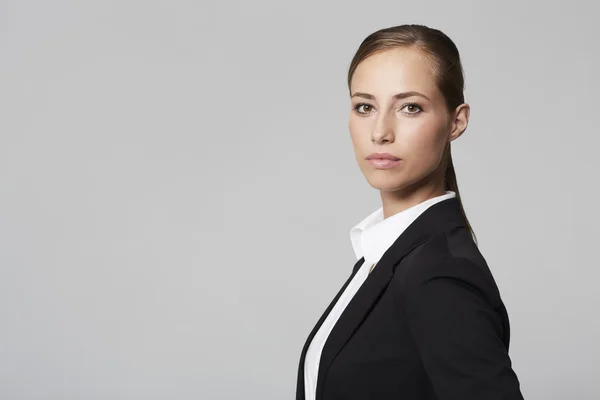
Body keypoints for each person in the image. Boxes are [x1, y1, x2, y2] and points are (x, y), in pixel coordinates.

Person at [295, 24, 525, 400]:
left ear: (457, 121)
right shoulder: (387, 255)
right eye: (365, 107)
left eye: (410, 107)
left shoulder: (440, 273)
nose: (381, 131)